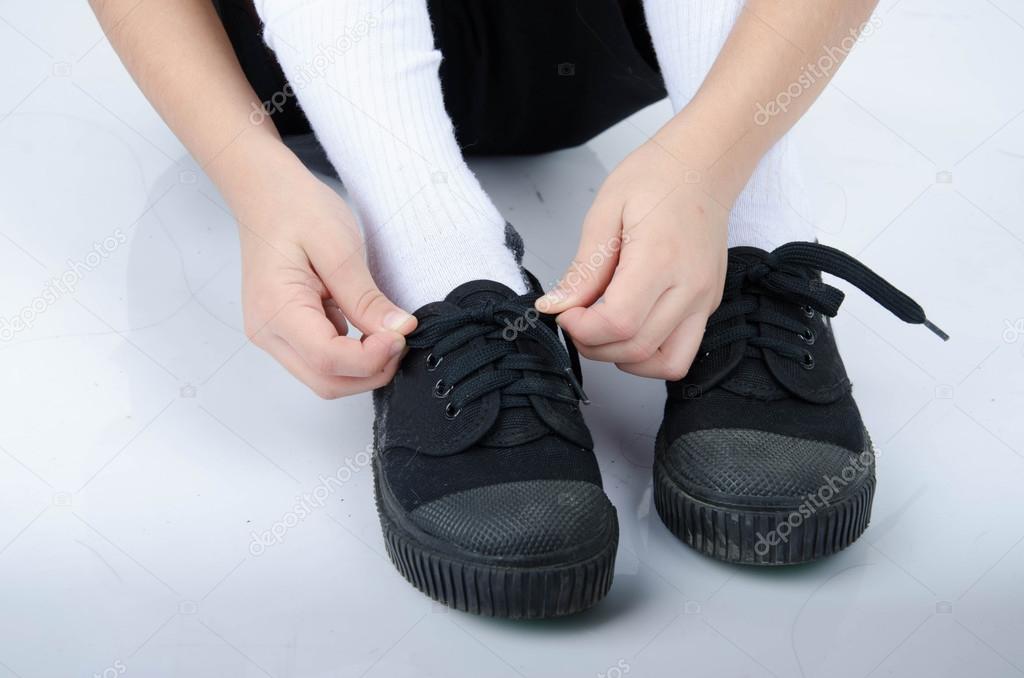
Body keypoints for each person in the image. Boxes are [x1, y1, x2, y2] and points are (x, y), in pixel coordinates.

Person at [90, 0, 945, 618]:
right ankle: (437, 268)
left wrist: (710, 166)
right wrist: (253, 176)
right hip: (302, 57)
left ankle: (749, 233)